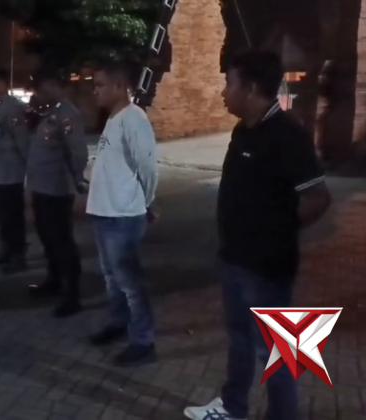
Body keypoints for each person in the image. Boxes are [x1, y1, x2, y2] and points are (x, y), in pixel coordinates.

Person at [184, 51, 331, 420]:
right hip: (234, 258)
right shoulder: (243, 130)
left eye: (229, 84)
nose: (223, 92)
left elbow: (318, 198)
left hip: (267, 267)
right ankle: (233, 407)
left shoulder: (288, 135)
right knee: (239, 338)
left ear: (250, 88)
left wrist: (276, 234)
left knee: (277, 352)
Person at [86, 62, 158, 366]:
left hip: (123, 215)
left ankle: (143, 341)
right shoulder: (113, 119)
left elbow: (148, 167)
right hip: (103, 213)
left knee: (130, 282)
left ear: (119, 86)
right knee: (111, 278)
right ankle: (118, 323)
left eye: (100, 84)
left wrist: (146, 202)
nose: (95, 91)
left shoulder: (133, 118)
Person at [25, 68, 89, 318]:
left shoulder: (67, 114)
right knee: (46, 237)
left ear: (53, 85)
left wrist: (77, 179)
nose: (38, 93)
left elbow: (78, 152)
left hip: (57, 188)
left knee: (61, 241)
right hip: (41, 186)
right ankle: (53, 280)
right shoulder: (46, 113)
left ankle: (72, 293)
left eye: (41, 88)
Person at [0, 66, 31, 274]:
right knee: (1, 216)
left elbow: (22, 140)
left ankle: (18, 255)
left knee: (12, 217)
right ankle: (6, 250)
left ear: (2, 83)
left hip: (9, 173)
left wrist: (28, 168)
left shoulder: (12, 108)